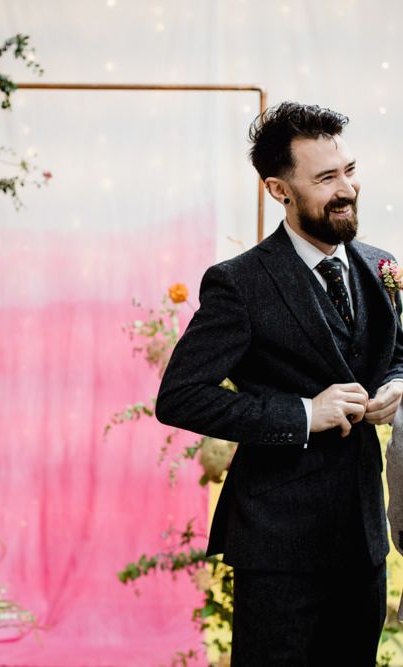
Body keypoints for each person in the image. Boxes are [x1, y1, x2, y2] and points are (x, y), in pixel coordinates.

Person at [155, 101, 403, 666]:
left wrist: (396, 383)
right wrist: (301, 414)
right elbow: (179, 397)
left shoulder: (381, 264)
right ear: (278, 189)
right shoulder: (238, 284)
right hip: (278, 543)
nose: (347, 189)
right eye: (324, 179)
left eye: (348, 170)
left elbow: (398, 355)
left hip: (363, 539)